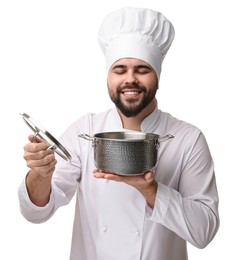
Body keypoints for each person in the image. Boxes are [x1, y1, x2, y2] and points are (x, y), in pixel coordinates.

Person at [18, 7, 219, 260]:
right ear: (108, 76)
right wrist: (41, 174)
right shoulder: (86, 131)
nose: (130, 79)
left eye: (142, 69)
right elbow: (37, 213)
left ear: (157, 75)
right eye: (120, 69)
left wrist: (151, 190)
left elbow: (205, 232)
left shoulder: (188, 139)